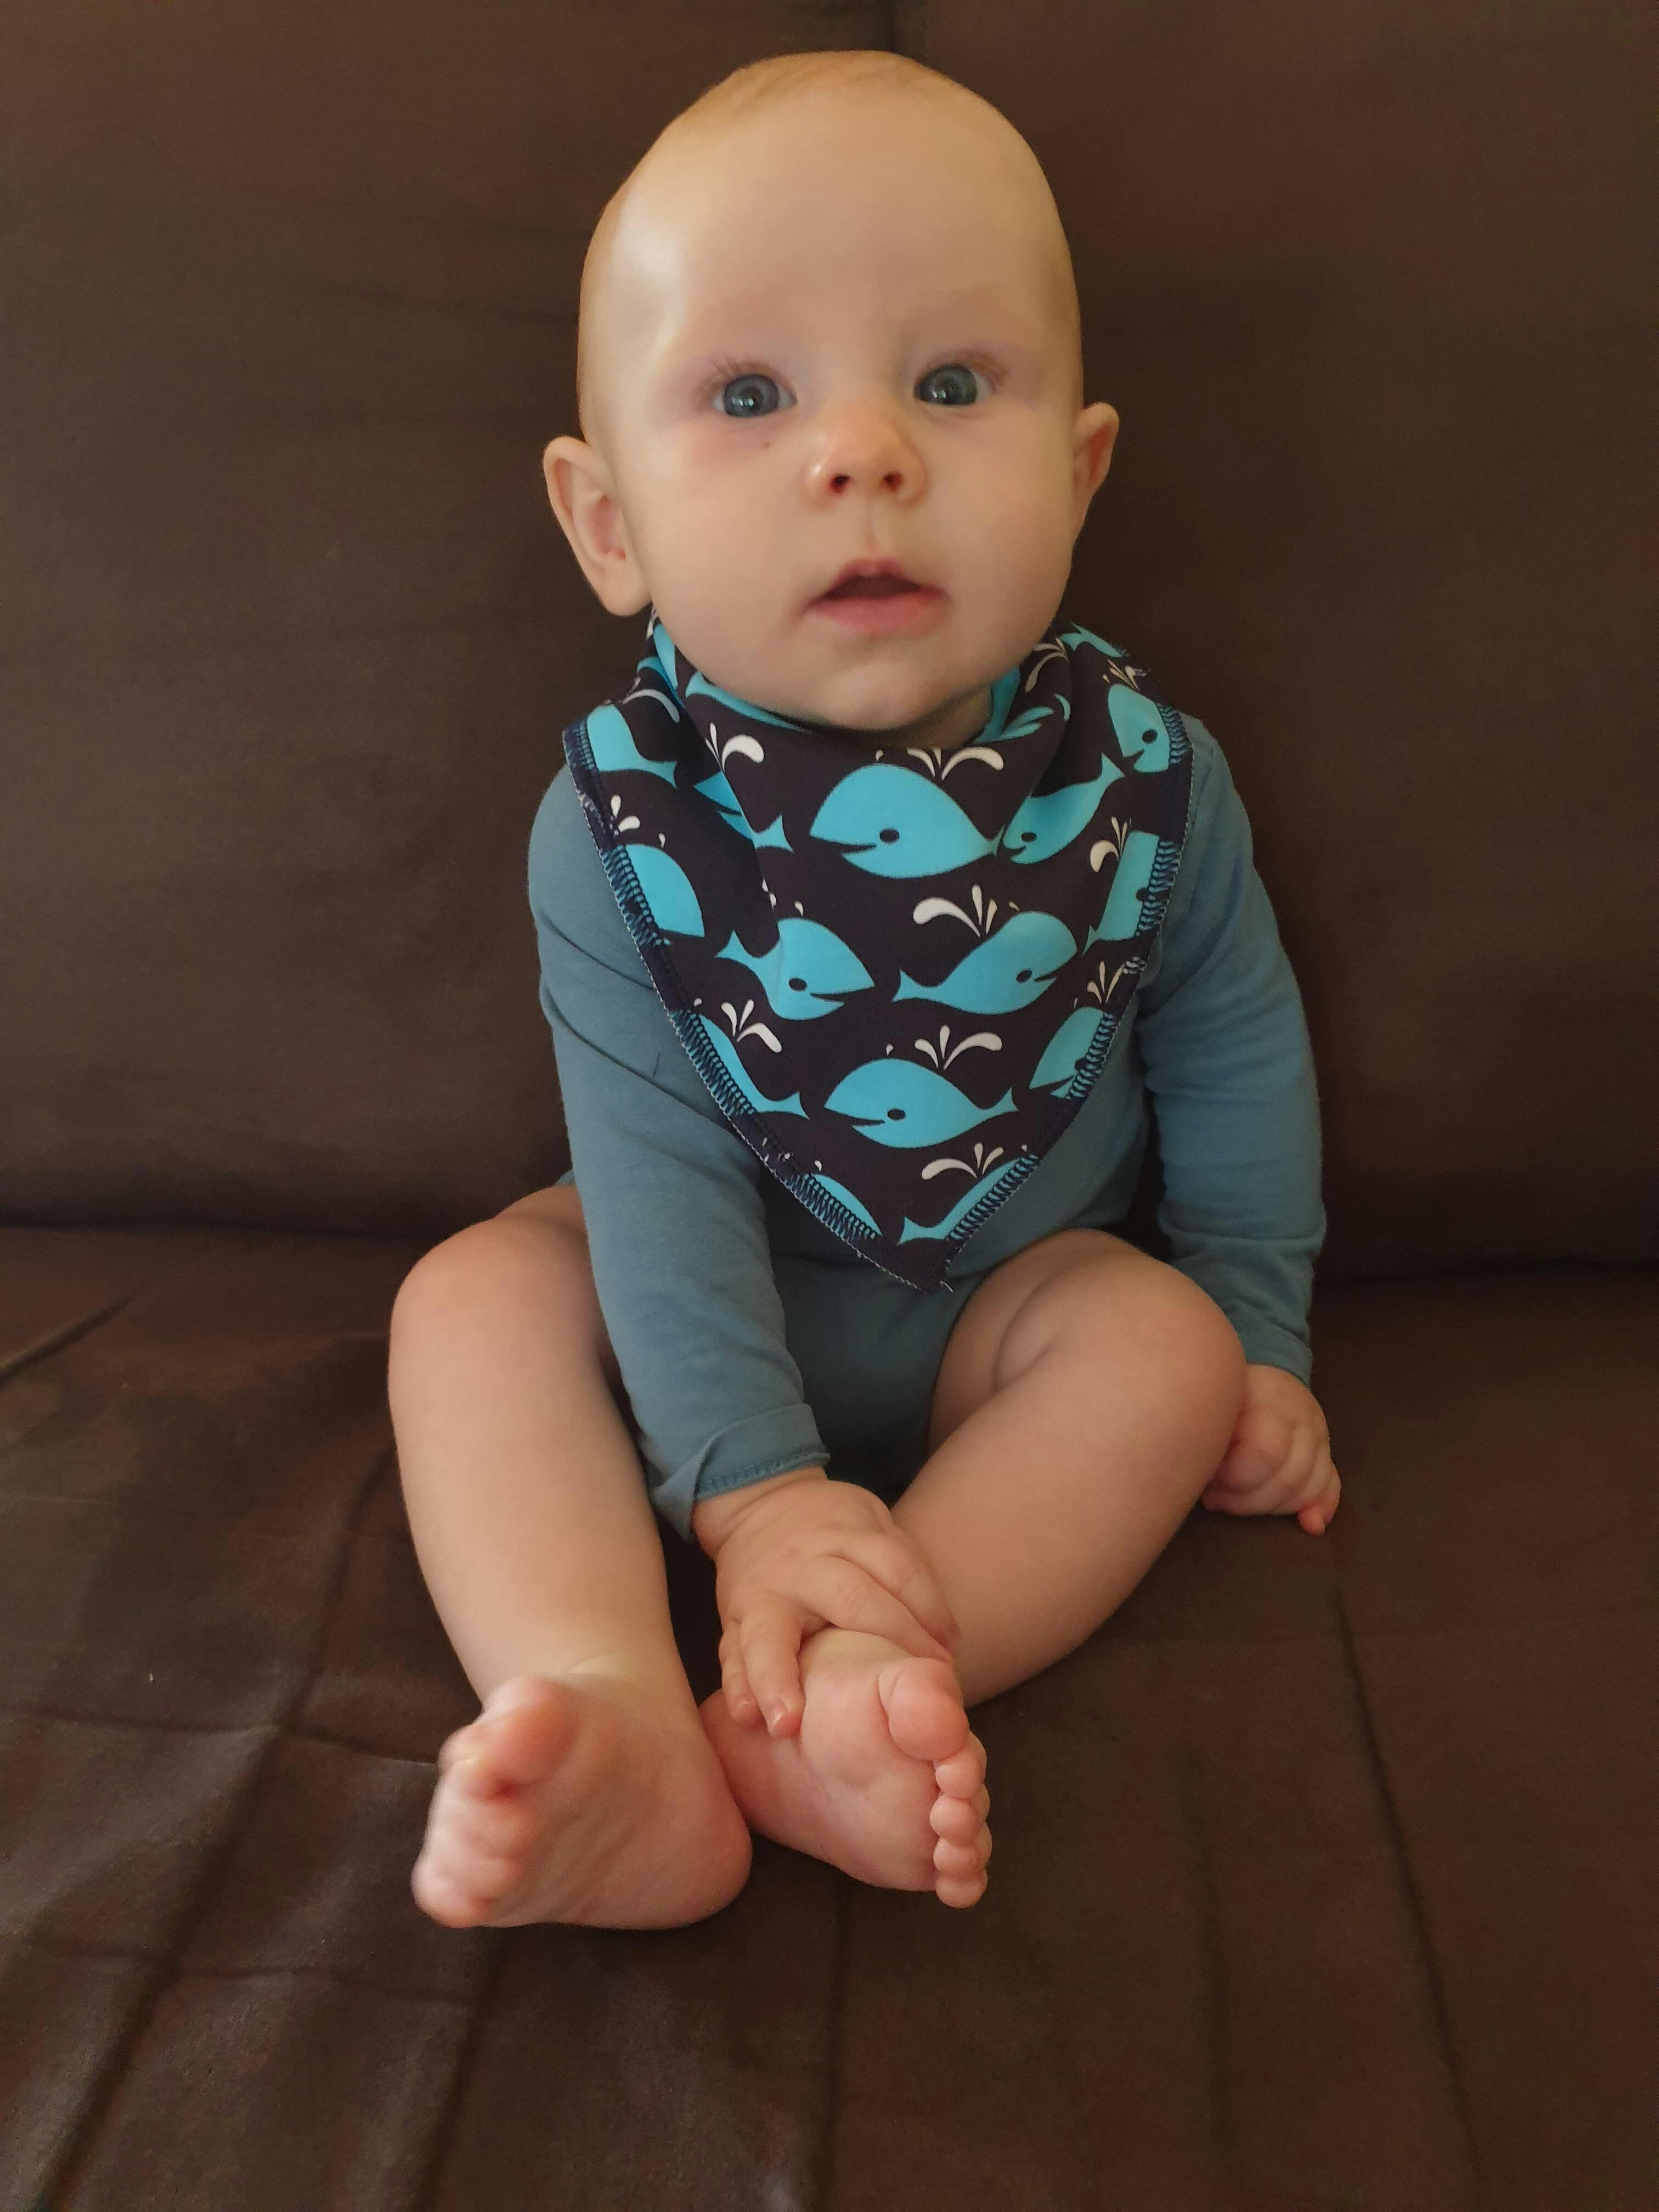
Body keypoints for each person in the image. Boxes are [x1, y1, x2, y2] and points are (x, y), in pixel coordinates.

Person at [387, 48, 1339, 1932]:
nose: (864, 454)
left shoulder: (1150, 783)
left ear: (1079, 475)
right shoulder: (619, 826)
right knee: (473, 1299)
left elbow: (1239, 1055)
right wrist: (750, 1489)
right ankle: (604, 1699)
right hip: (689, 1307)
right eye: (751, 395)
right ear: (608, 526)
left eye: (952, 385)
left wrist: (1259, 1327)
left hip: (1006, 1308)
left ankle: (844, 1695)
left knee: (1159, 1351)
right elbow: (655, 1177)